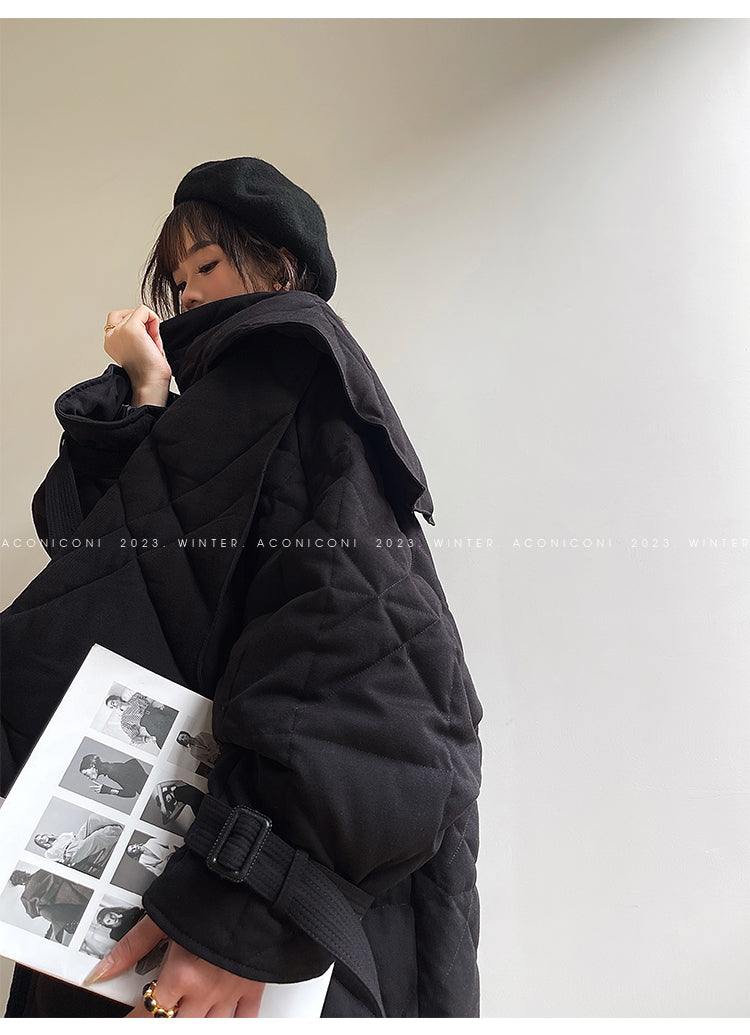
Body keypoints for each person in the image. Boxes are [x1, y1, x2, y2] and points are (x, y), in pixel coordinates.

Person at [1, 157, 482, 1019]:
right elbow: (120, 577)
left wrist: (240, 912)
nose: (187, 292)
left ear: (280, 266)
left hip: (224, 909)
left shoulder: (288, 374)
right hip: (165, 869)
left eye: (207, 264)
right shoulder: (226, 401)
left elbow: (371, 668)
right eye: (176, 277)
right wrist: (148, 392)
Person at [9, 869, 91, 940]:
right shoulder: (25, 897)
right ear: (19, 883)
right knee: (46, 911)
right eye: (18, 879)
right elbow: (33, 912)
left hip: (63, 885)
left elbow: (56, 872)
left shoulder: (41, 871)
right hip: (53, 903)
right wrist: (42, 902)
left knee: (75, 890)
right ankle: (69, 923)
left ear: (23, 872)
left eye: (20, 874)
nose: (21, 878)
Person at [33, 814, 123, 876]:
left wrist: (54, 838)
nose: (42, 839)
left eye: (42, 836)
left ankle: (121, 823)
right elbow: (60, 863)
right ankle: (117, 831)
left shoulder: (62, 836)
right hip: (70, 853)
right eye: (40, 841)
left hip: (76, 841)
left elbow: (76, 837)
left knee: (92, 818)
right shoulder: (48, 853)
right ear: (42, 844)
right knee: (96, 837)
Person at [105, 692, 176, 749]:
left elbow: (150, 693)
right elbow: (134, 738)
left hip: (156, 713)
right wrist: (147, 739)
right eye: (112, 707)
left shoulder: (135, 697)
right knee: (166, 742)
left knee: (173, 719)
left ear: (117, 698)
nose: (114, 706)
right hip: (150, 725)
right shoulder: (124, 720)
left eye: (112, 703)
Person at [78, 753, 148, 799]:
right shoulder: (112, 768)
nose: (87, 778)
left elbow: (131, 793)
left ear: (92, 766)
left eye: (86, 774)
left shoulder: (113, 771)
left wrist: (107, 790)